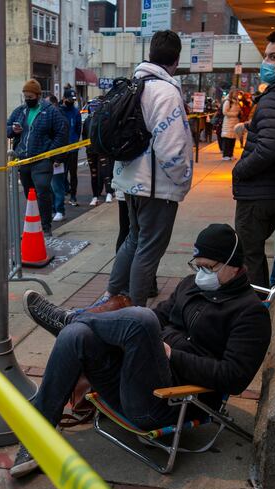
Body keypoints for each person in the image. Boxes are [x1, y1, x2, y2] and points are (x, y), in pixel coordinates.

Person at [9, 224, 272, 478]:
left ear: (233, 266)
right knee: (78, 335)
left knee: (142, 319)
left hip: (168, 403)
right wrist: (162, 342)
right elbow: (160, 318)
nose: (201, 273)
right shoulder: (190, 285)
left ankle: (70, 318)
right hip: (133, 381)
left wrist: (171, 354)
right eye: (197, 265)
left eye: (208, 267)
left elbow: (234, 377)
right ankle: (36, 436)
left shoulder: (250, 313)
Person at [92, 30, 193, 311]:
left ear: (151, 54)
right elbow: (171, 147)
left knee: (133, 240)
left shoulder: (134, 85)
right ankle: (135, 313)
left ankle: (112, 295)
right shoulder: (166, 92)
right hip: (156, 187)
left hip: (130, 182)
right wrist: (182, 180)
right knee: (148, 250)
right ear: (176, 59)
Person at [233, 30, 275, 289]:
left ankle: (252, 311)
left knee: (249, 257)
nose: (267, 63)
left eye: (274, 57)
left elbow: (268, 149)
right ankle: (264, 299)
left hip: (259, 192)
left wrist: (239, 170)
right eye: (266, 56)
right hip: (274, 188)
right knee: (263, 252)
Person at [7, 79, 68, 236]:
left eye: (30, 96)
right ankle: (33, 226)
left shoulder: (51, 111)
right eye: (25, 96)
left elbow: (62, 132)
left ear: (38, 95)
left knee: (42, 192)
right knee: (30, 195)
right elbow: (6, 128)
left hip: (42, 160)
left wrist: (50, 154)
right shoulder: (20, 111)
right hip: (24, 159)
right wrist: (13, 130)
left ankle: (45, 227)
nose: (28, 100)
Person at [59, 88, 82, 208]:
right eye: (70, 99)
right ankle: (61, 195)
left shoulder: (76, 112)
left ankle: (73, 196)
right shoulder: (58, 110)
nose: (72, 102)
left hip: (73, 148)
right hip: (60, 148)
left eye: (73, 100)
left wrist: (74, 142)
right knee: (61, 174)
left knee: (73, 173)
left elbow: (78, 129)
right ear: (64, 99)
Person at [220, 93, 241, 160]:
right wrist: (235, 114)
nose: (237, 95)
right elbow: (225, 112)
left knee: (232, 140)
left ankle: (230, 154)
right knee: (227, 140)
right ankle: (226, 155)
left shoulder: (237, 102)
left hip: (235, 123)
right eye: (236, 93)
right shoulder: (228, 102)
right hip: (228, 123)